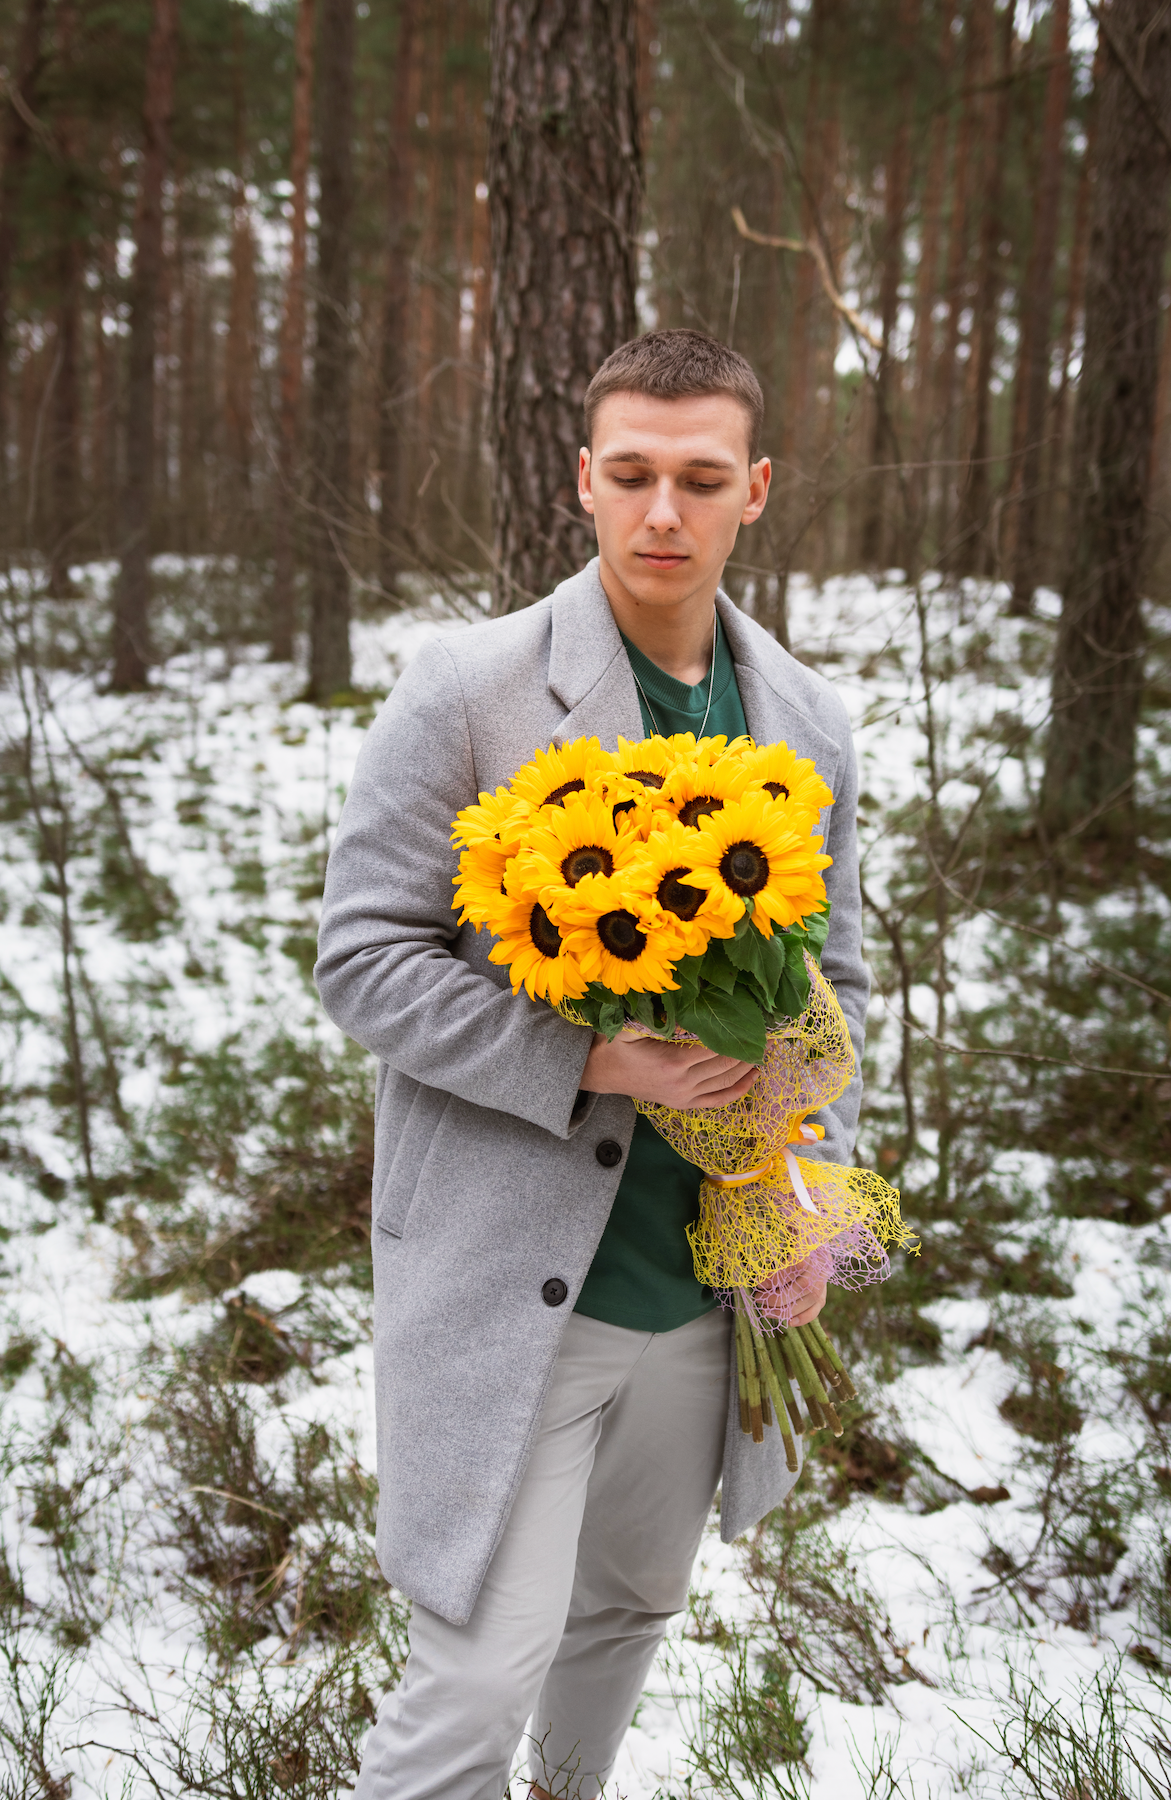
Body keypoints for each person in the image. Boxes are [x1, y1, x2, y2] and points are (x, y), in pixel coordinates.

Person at [314, 328, 869, 1800]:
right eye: (631, 475)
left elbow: (841, 988)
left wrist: (803, 1151)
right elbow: (362, 959)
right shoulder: (471, 692)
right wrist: (590, 1060)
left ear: (756, 488)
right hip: (515, 1285)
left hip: (701, 1293)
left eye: (699, 478)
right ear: (583, 479)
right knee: (476, 1686)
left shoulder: (807, 722)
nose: (662, 514)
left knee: (623, 1617)